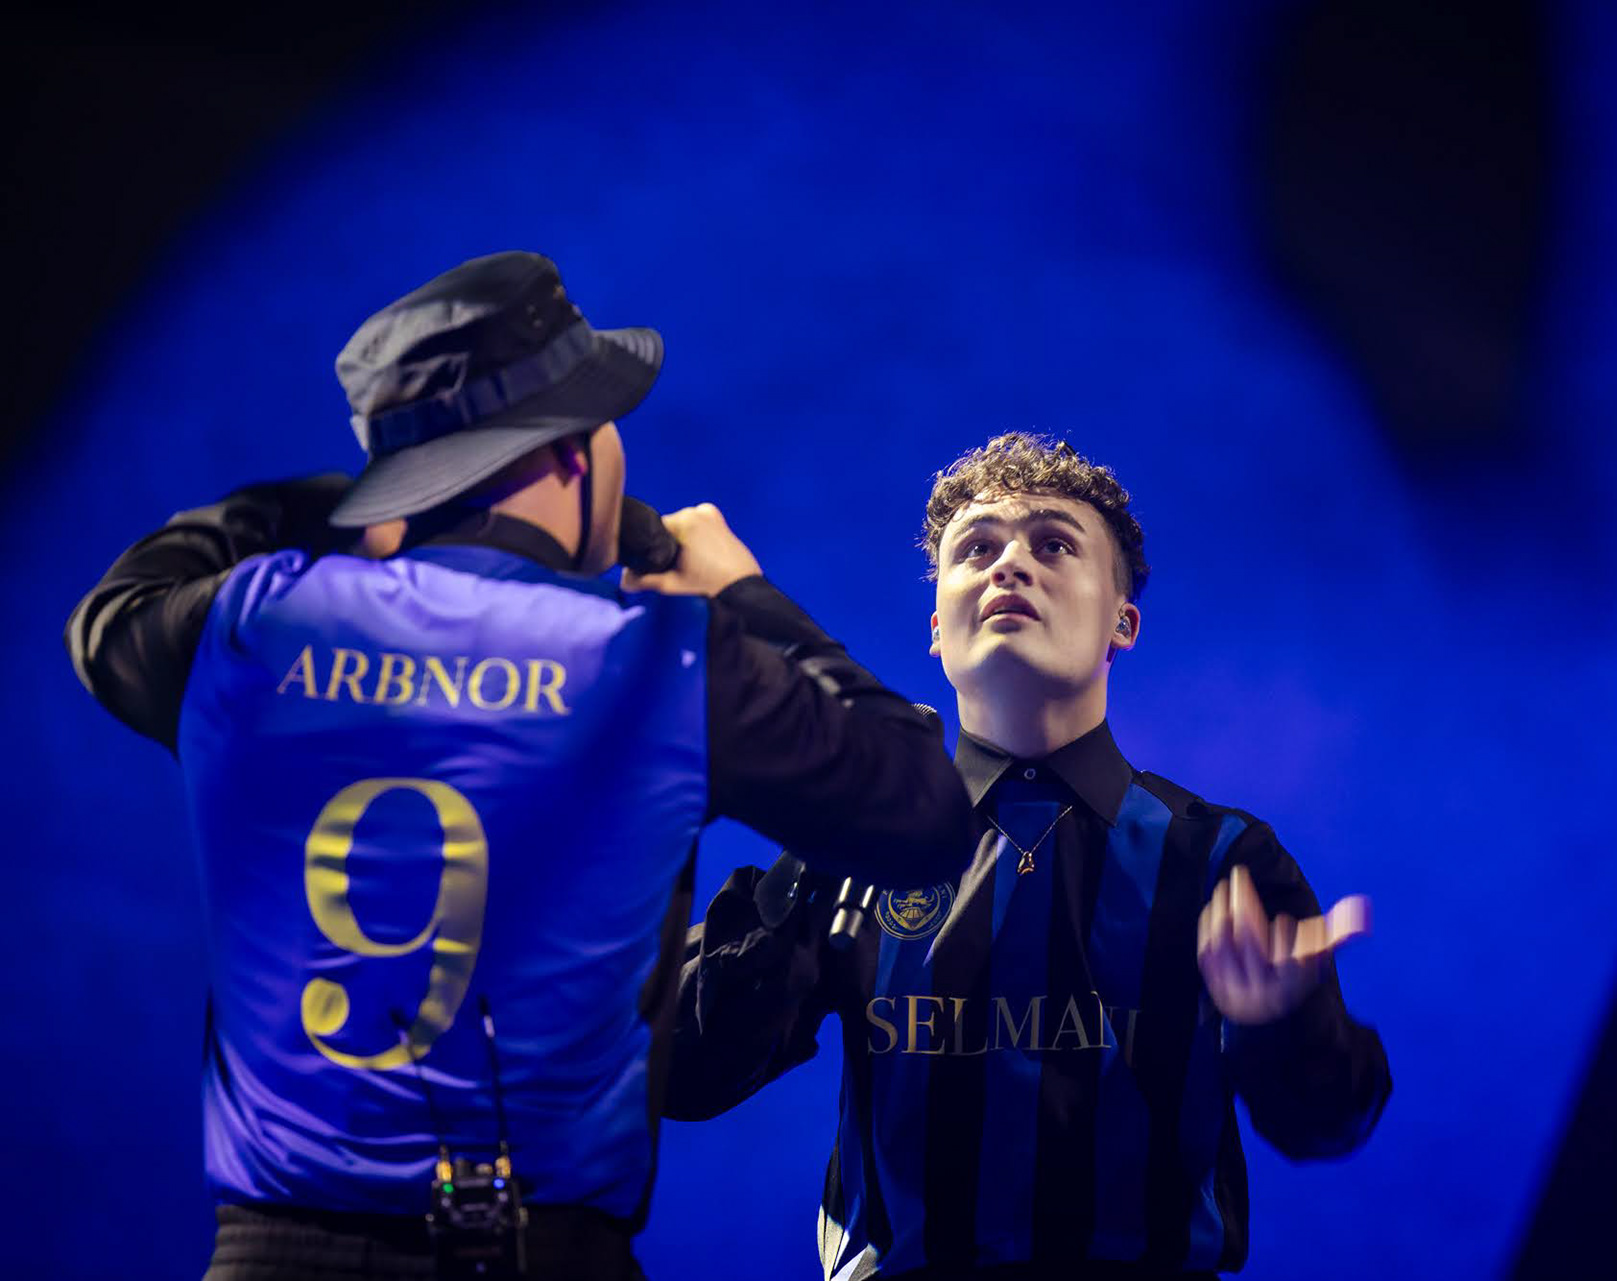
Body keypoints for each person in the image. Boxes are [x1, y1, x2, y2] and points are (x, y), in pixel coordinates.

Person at [63, 251, 972, 1280]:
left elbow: (114, 611)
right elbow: (921, 813)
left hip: (273, 1256)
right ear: (574, 454)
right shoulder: (657, 658)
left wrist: (362, 499)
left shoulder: (253, 626)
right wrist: (745, 600)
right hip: (537, 1255)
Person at [669, 432, 1390, 1280]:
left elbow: (1330, 1124)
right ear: (937, 630)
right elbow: (683, 1076)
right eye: (977, 549)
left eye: (1053, 544)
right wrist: (807, 852)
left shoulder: (1220, 856)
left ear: (1123, 621)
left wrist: (1283, 1024)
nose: (1010, 563)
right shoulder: (854, 847)